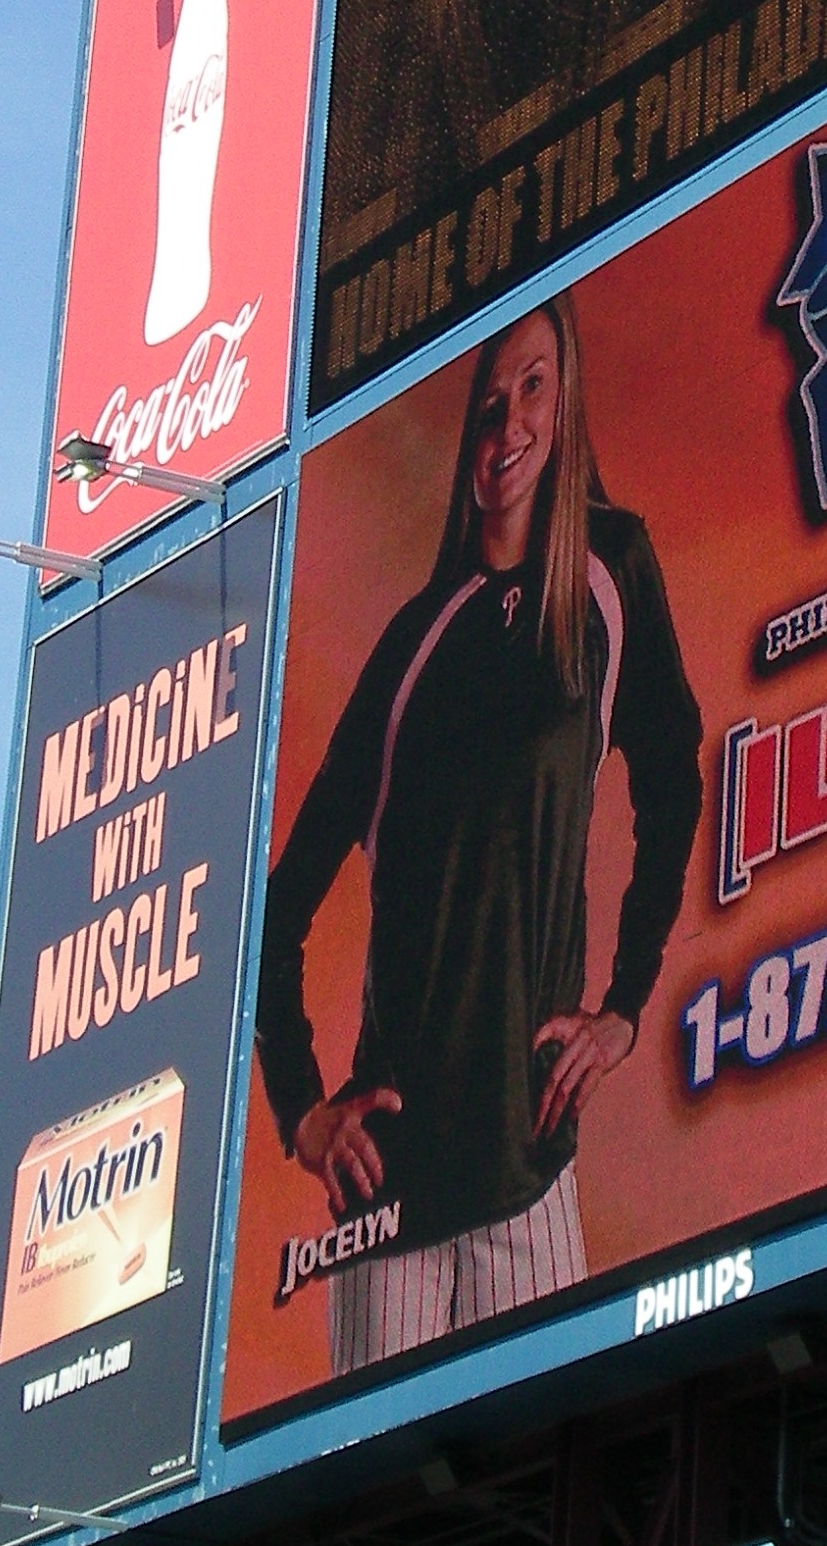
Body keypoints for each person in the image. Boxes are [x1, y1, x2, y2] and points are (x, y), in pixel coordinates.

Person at [255, 293, 704, 1371]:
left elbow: (673, 780)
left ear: (567, 398)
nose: (509, 427)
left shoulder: (611, 567)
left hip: (531, 1177)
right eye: (491, 402)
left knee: (552, 1502)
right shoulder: (415, 641)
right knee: (375, 1532)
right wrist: (307, 1115)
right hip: (389, 1210)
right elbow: (274, 913)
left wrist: (624, 1010)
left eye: (534, 388)